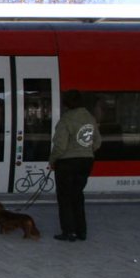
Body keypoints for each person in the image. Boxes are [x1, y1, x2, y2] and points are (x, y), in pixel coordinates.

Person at [49, 90, 101, 242]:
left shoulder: (66, 119)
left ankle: (68, 232)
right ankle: (81, 232)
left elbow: (60, 146)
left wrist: (52, 161)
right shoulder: (90, 118)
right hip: (86, 162)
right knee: (77, 196)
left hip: (67, 163)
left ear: (66, 104)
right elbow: (97, 142)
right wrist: (86, 151)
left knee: (65, 198)